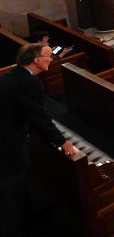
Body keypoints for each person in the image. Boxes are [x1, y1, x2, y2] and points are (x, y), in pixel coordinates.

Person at [0, 43, 79, 237]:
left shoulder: (12, 75)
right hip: (7, 145)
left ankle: (27, 216)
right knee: (10, 190)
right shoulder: (29, 82)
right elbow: (39, 116)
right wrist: (62, 141)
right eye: (48, 56)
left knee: (18, 187)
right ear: (36, 59)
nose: (51, 59)